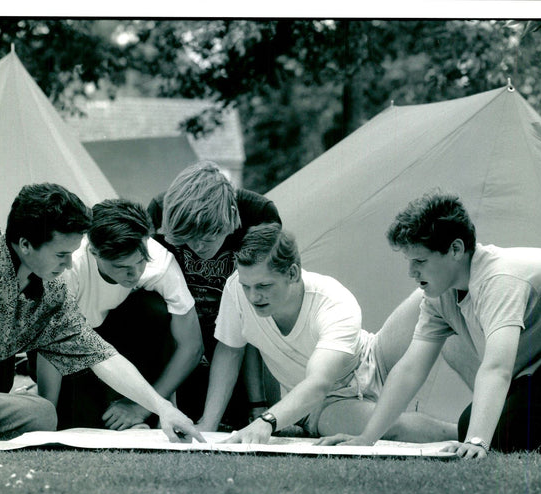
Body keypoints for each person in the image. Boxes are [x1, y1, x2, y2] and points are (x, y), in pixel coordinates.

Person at [0, 183, 204, 448]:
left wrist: (163, 408)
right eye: (61, 254)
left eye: (72, 254)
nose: (70, 263)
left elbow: (103, 356)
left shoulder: (53, 292)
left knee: (45, 414)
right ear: (26, 244)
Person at [319, 193, 541, 458]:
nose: (411, 272)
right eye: (409, 261)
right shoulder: (439, 296)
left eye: (419, 260)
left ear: (456, 249)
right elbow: (410, 368)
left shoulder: (500, 280)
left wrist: (477, 442)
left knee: (503, 431)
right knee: (471, 423)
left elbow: (498, 368)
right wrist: (367, 438)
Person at [197, 222, 457, 444]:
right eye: (247, 286)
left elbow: (318, 379)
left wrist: (267, 422)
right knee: (389, 427)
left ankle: (486, 426)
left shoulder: (333, 300)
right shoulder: (235, 291)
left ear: (292, 273)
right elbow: (230, 352)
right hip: (328, 404)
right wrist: (208, 424)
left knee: (439, 291)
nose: (253, 296)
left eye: (264, 286)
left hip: (374, 356)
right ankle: (462, 432)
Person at [46, 198, 204, 430]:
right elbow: (50, 344)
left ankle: (140, 413)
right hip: (68, 345)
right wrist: (47, 413)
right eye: (121, 267)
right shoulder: (71, 265)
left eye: (140, 261)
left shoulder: (159, 263)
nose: (135, 273)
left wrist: (144, 406)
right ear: (94, 251)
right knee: (77, 426)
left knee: (154, 309)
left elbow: (191, 347)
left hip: (120, 339)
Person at [148, 161, 282, 427]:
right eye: (187, 239)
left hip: (241, 338)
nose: (197, 247)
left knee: (245, 420)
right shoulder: (160, 210)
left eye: (207, 239)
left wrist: (258, 405)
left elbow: (258, 310)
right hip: (180, 334)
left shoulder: (258, 214)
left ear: (231, 218)